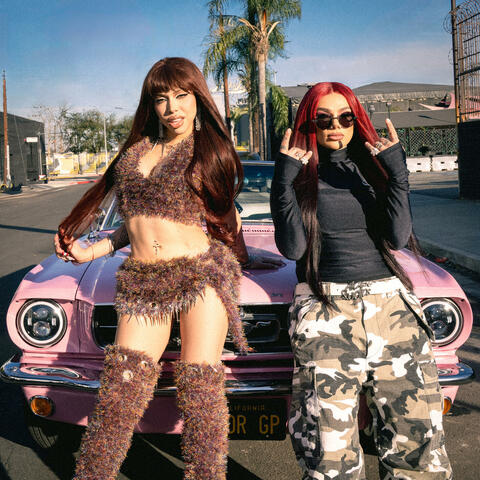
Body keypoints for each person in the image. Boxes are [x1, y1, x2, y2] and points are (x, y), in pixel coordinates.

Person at [54, 57, 281, 480]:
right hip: (143, 279)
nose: (172, 107)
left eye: (182, 96)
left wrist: (245, 258)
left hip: (200, 274)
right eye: (161, 98)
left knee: (199, 387)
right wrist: (92, 251)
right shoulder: (134, 153)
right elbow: (134, 224)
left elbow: (225, 217)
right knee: (121, 389)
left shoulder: (209, 151)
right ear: (151, 104)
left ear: (198, 99)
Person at [270, 82, 452, 480]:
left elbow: (398, 237)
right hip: (325, 311)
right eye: (323, 119)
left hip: (392, 310)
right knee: (329, 454)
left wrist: (398, 174)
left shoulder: (373, 169)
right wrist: (282, 182)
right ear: (308, 124)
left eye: (345, 117)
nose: (335, 126)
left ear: (357, 120)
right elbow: (294, 248)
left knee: (417, 443)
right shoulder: (299, 177)